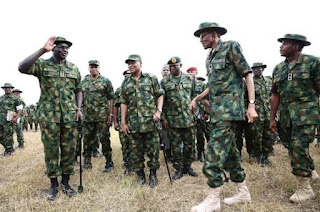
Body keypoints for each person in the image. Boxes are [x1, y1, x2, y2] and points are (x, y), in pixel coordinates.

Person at [190, 22, 258, 212]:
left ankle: (212, 199)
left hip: (230, 109)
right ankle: (242, 192)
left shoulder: (231, 46)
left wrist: (251, 105)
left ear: (213, 34)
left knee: (214, 150)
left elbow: (247, 74)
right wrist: (197, 97)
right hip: (217, 111)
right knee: (229, 153)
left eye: (203, 36)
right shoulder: (209, 58)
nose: (201, 40)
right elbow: (214, 85)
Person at [18, 36, 83, 201]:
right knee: (51, 150)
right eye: (60, 47)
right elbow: (22, 67)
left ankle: (66, 183)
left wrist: (78, 108)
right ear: (53, 48)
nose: (64, 50)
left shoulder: (74, 69)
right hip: (49, 115)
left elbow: (78, 90)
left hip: (69, 115)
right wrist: (42, 50)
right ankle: (53, 185)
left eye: (67, 48)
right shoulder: (42, 65)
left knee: (69, 149)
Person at [270, 34, 320, 203]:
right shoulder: (278, 69)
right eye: (281, 42)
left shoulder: (313, 63)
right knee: (291, 146)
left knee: (298, 147)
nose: (281, 46)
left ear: (297, 46)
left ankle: (305, 188)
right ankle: (310, 171)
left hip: (306, 113)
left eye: (285, 43)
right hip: (286, 115)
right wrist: (272, 119)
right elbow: (275, 95)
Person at [120, 54, 163, 188]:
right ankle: (140, 176)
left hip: (150, 122)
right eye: (129, 64)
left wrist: (159, 111)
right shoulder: (126, 82)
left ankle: (153, 175)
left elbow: (160, 94)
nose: (130, 65)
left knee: (153, 150)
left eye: (133, 63)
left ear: (141, 64)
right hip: (134, 123)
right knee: (136, 151)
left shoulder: (151, 78)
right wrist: (123, 122)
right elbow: (123, 103)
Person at [161, 56, 198, 181]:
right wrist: (164, 118)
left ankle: (188, 167)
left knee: (190, 145)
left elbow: (193, 96)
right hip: (173, 120)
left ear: (180, 66)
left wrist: (194, 108)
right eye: (170, 66)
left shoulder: (189, 78)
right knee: (175, 146)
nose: (172, 68)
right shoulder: (165, 81)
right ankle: (178, 169)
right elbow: (163, 101)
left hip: (188, 118)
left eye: (175, 66)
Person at [81, 60, 114, 172]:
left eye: (96, 67)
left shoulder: (105, 81)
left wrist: (110, 114)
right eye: (91, 67)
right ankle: (87, 162)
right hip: (88, 117)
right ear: (89, 68)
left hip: (102, 117)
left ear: (99, 68)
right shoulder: (84, 81)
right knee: (87, 140)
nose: (93, 69)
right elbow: (80, 97)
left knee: (104, 139)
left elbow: (111, 98)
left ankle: (109, 162)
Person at [247, 62, 274, 166]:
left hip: (268, 112)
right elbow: (246, 98)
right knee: (256, 136)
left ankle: (266, 156)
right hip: (256, 113)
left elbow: (272, 96)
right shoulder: (250, 82)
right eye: (256, 69)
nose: (258, 70)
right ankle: (258, 156)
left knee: (268, 135)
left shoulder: (268, 81)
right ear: (253, 70)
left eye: (260, 68)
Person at [186, 66, 209, 162]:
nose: (191, 74)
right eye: (189, 72)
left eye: (193, 72)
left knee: (200, 133)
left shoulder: (201, 84)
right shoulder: (186, 84)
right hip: (189, 112)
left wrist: (207, 112)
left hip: (200, 111)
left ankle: (200, 153)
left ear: (196, 72)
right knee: (190, 134)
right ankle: (191, 155)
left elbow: (206, 98)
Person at [113, 70, 132, 175]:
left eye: (129, 75)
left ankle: (137, 165)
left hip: (135, 121)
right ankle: (128, 166)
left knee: (136, 144)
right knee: (125, 144)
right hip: (123, 121)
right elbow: (115, 106)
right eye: (125, 76)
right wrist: (115, 121)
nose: (127, 78)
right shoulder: (119, 91)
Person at [0, 83, 23, 155]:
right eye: (6, 88)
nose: (7, 89)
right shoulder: (1, 98)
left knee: (8, 135)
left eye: (9, 88)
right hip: (1, 119)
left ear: (11, 89)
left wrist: (16, 118)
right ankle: (8, 147)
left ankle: (9, 150)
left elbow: (19, 109)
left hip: (9, 120)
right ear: (4, 89)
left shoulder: (15, 98)